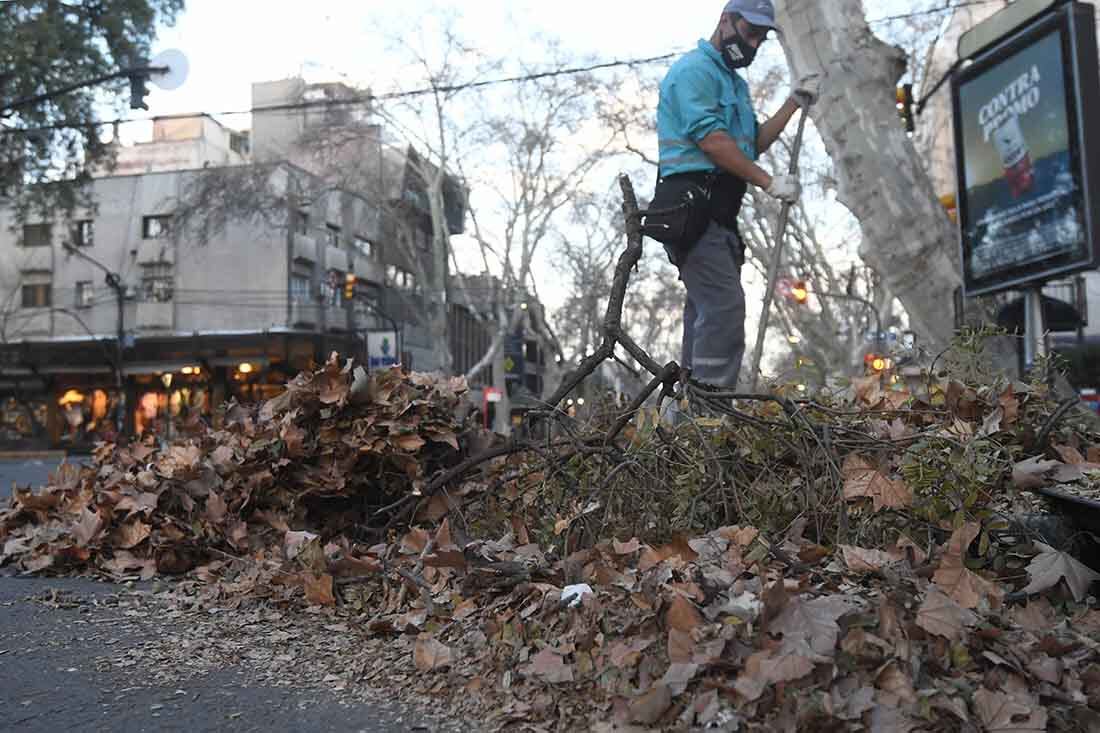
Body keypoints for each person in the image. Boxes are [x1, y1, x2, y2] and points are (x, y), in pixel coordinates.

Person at [656, 0, 819, 388]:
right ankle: (710, 420)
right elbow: (712, 141)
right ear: (725, 21)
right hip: (692, 210)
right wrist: (768, 182)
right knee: (724, 310)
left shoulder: (735, 84)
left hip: (720, 217)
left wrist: (794, 103)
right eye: (750, 32)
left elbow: (749, 145)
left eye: (762, 38)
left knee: (704, 316)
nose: (754, 43)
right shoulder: (694, 71)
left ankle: (690, 422)